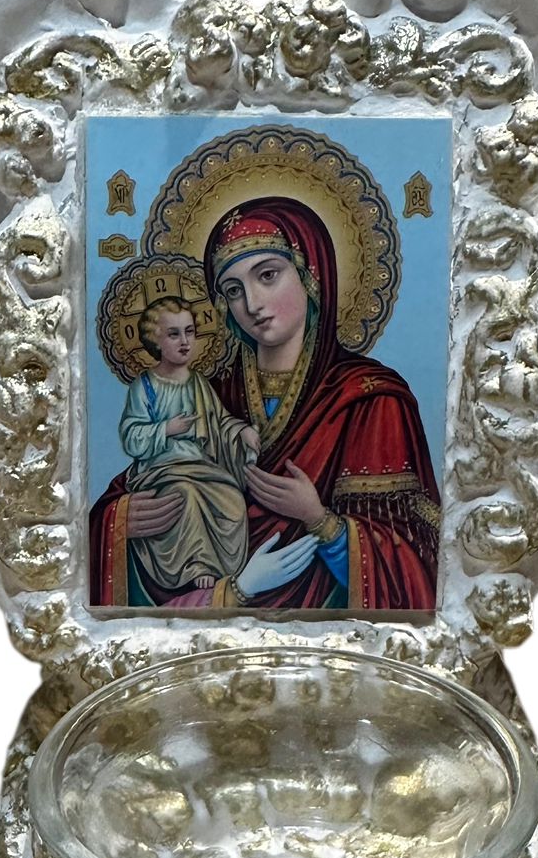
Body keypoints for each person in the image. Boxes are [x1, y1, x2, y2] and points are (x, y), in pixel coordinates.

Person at [91, 195, 441, 611]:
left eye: (268, 275)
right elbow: (141, 481)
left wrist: (320, 521)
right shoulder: (212, 392)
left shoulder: (371, 399)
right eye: (233, 290)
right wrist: (120, 522)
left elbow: (416, 569)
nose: (252, 304)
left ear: (311, 274)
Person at [117, 300, 260, 594]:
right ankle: (197, 564)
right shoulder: (145, 386)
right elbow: (131, 436)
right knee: (186, 495)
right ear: (155, 340)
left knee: (233, 501)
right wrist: (167, 429)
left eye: (190, 332)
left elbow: (220, 423)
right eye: (174, 334)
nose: (184, 341)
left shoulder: (199, 384)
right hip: (162, 471)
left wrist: (241, 431)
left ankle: (221, 568)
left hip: (201, 467)